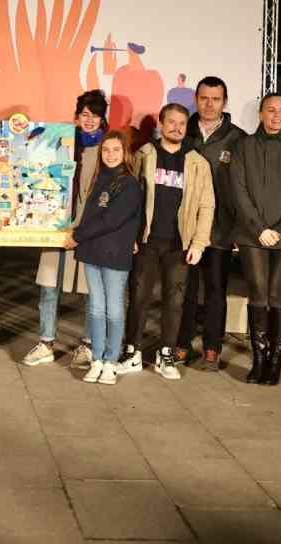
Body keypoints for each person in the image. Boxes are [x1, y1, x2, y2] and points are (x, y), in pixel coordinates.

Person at [123, 103, 215, 380]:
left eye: (182, 123)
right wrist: (130, 236)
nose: (176, 128)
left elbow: (207, 206)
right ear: (161, 125)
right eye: (171, 122)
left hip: (179, 244)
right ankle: (133, 353)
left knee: (174, 302)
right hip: (147, 242)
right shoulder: (144, 155)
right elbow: (129, 199)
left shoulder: (197, 162)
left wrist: (198, 244)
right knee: (139, 298)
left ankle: (166, 355)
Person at [230, 93, 281, 386]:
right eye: (271, 110)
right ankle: (259, 360)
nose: (276, 116)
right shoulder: (244, 148)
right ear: (261, 114)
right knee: (258, 292)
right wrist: (259, 229)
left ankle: (275, 362)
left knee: (279, 295)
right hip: (252, 234)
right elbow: (239, 191)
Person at [23, 90, 107, 369]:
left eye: (95, 115)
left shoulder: (108, 149)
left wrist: (81, 230)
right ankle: (46, 343)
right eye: (85, 114)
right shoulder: (61, 141)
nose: (89, 120)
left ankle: (88, 345)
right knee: (49, 286)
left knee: (90, 291)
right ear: (76, 116)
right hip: (57, 225)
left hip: (89, 230)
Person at [174, 76, 247, 371]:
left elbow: (244, 188)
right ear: (196, 99)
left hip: (220, 230)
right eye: (204, 98)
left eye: (215, 99)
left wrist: (239, 228)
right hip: (185, 228)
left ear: (224, 102)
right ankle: (181, 344)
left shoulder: (238, 138)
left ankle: (212, 348)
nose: (209, 104)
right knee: (186, 290)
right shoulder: (183, 131)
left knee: (216, 290)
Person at [63, 129, 142, 386]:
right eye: (106, 150)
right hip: (93, 251)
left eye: (116, 150)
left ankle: (110, 362)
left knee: (114, 309)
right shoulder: (99, 178)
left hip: (114, 254)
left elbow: (111, 219)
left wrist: (77, 236)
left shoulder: (129, 183)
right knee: (96, 308)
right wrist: (79, 234)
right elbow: (90, 215)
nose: (110, 155)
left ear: (125, 152)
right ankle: (96, 359)